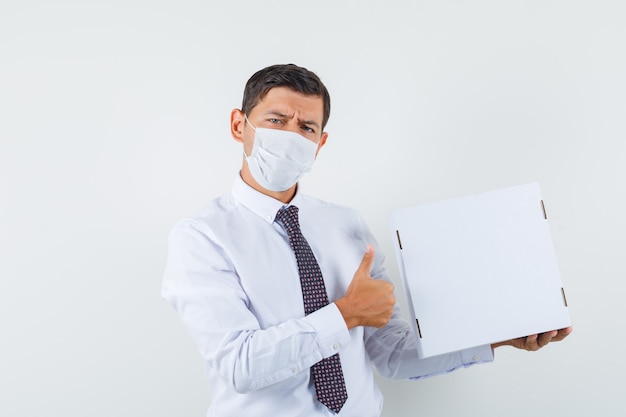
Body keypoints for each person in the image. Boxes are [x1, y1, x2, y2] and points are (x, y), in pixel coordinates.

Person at [162, 63, 572, 417]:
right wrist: (346, 314)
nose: (291, 135)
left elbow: (392, 355)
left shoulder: (347, 225)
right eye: (276, 120)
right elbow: (240, 364)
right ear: (240, 125)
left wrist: (496, 335)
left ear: (320, 144)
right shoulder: (201, 237)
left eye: (307, 127)